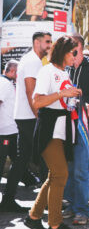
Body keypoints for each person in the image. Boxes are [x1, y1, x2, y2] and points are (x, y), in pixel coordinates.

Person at [24, 36, 82, 229]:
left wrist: (71, 95)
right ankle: (55, 225)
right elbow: (37, 101)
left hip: (61, 130)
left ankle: (33, 217)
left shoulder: (62, 72)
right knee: (61, 174)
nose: (75, 57)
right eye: (73, 52)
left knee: (55, 176)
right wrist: (62, 93)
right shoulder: (47, 71)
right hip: (49, 130)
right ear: (63, 52)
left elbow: (61, 100)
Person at [3, 32, 52, 211]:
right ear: (37, 42)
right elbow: (31, 91)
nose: (49, 45)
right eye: (47, 41)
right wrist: (40, 117)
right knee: (46, 155)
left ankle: (7, 200)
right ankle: (46, 201)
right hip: (30, 117)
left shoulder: (32, 60)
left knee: (22, 159)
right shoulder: (32, 61)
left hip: (25, 116)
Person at [63, 33, 89, 225]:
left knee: (81, 168)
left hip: (85, 125)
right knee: (69, 168)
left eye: (73, 48)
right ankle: (71, 205)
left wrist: (86, 101)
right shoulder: (67, 67)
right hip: (67, 125)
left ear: (79, 47)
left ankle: (82, 209)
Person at [0, 61, 25, 212]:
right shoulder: (4, 83)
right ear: (14, 72)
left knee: (17, 160)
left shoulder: (7, 83)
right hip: (5, 131)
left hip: (10, 130)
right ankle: (7, 201)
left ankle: (9, 198)